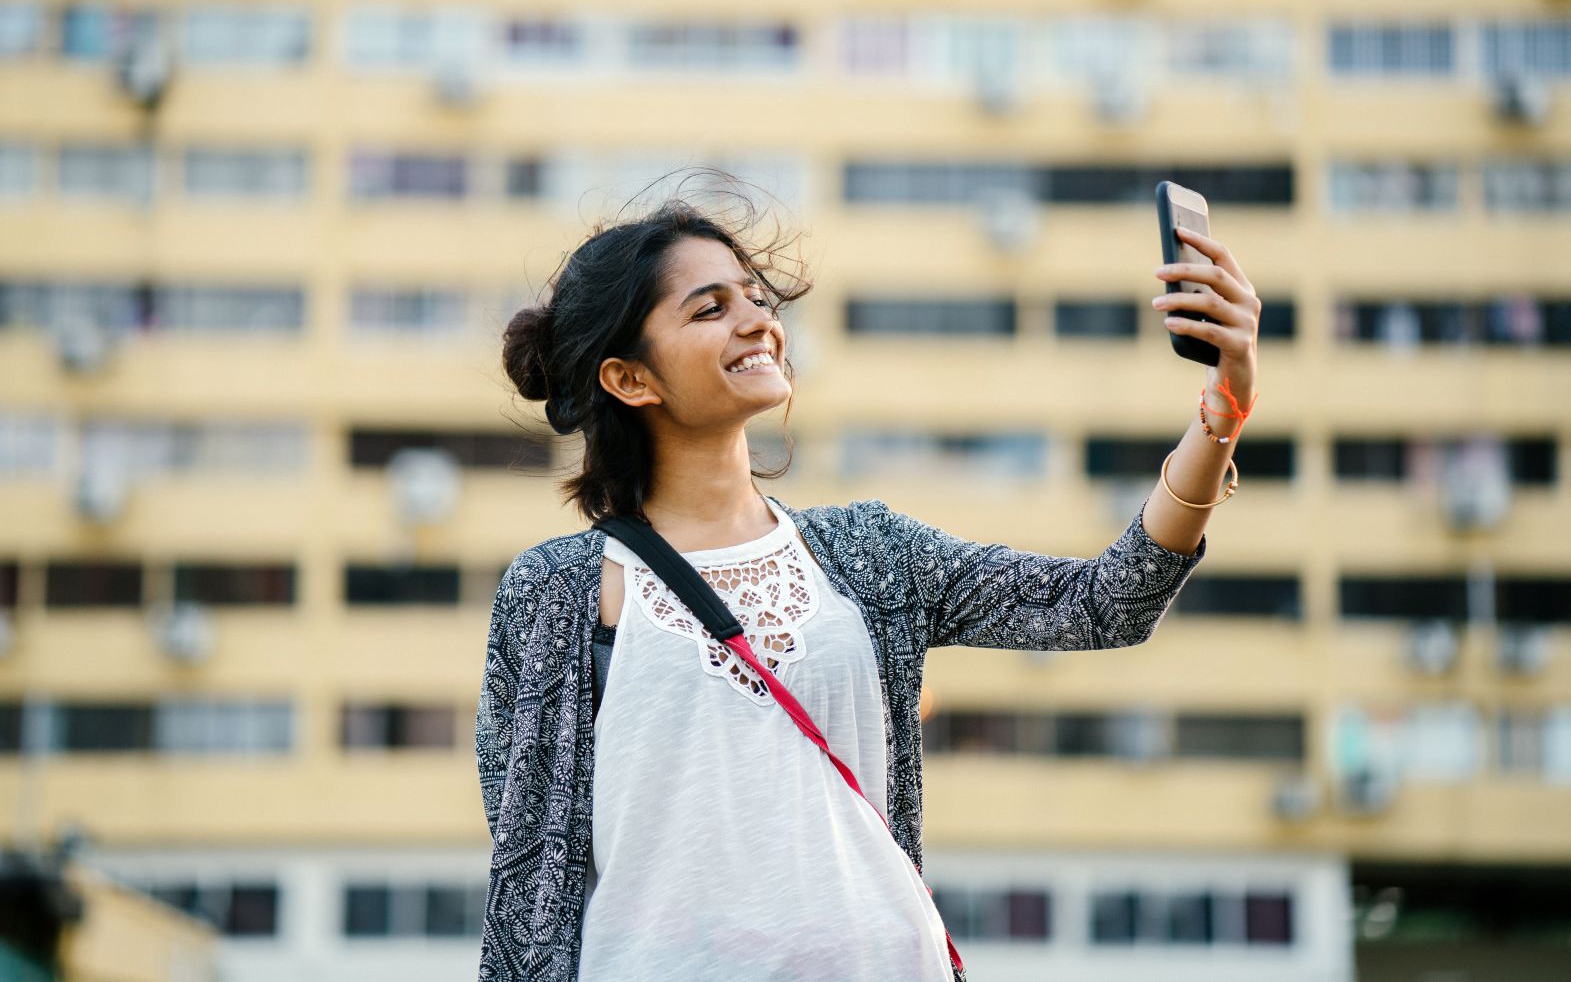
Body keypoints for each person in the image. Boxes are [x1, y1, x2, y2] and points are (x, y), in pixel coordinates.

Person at [476, 172, 1260, 981]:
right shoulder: (557, 592)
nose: (758, 322)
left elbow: (1104, 605)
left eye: (754, 297)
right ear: (629, 378)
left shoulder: (869, 551)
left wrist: (1223, 413)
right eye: (710, 308)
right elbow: (527, 854)